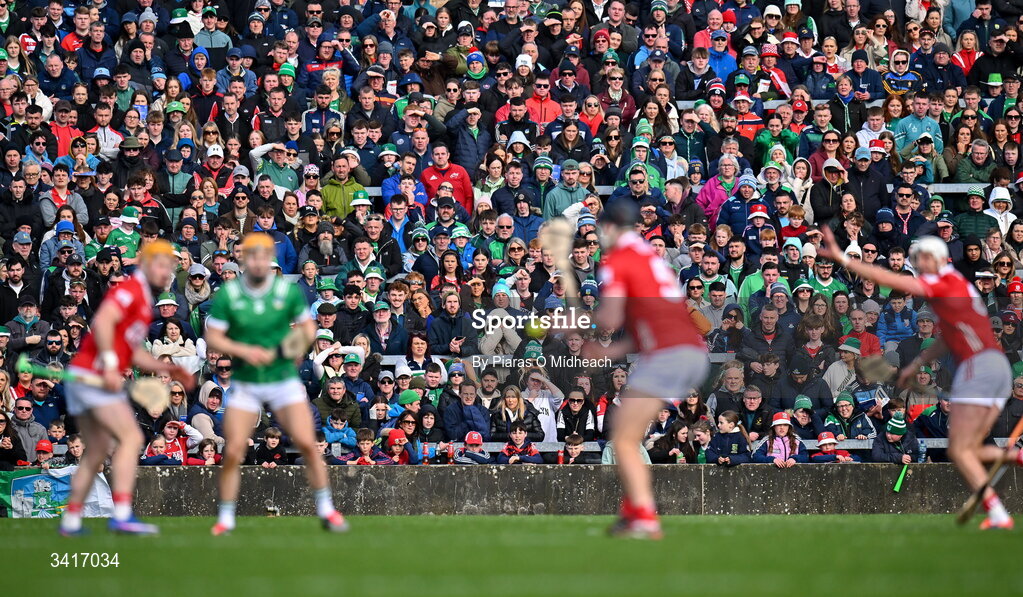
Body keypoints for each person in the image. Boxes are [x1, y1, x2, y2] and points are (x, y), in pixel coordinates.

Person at [819, 226, 1015, 530]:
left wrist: (843, 259)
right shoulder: (957, 287)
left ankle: (998, 507)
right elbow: (948, 338)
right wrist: (918, 363)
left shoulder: (944, 282)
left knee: (960, 450)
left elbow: (889, 279)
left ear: (935, 258)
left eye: (920, 258)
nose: (917, 264)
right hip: (995, 366)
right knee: (970, 449)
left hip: (977, 367)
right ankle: (1000, 507)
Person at [204, 233, 348, 535]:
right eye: (252, 257)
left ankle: (326, 509)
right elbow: (213, 335)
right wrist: (245, 351)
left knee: (308, 443)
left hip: (282, 379)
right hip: (247, 380)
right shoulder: (230, 294)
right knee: (233, 450)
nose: (258, 263)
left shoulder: (287, 292)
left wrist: (286, 350)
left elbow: (308, 329)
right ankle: (227, 516)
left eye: (264, 257)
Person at [588, 200, 709, 539]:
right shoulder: (647, 258)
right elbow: (646, 328)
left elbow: (609, 320)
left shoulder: (617, 261)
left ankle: (643, 518)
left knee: (624, 439)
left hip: (668, 354)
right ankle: (634, 513)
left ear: (610, 228)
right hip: (687, 352)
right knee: (627, 435)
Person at [58, 240, 194, 536]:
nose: (167, 271)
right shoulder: (130, 290)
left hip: (87, 379)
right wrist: (108, 364)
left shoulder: (144, 302)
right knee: (131, 437)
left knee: (95, 453)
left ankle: (70, 522)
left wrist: (167, 367)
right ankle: (121, 515)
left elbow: (133, 351)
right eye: (162, 265)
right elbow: (104, 322)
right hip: (93, 377)